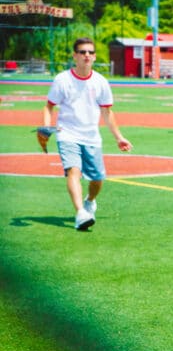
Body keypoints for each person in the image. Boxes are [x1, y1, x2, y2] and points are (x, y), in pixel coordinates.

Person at [42, 37, 132, 231]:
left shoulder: (101, 82)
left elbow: (107, 113)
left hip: (91, 137)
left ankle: (90, 200)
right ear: (74, 56)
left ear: (94, 56)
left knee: (98, 179)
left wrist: (119, 137)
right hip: (66, 134)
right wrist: (47, 127)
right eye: (82, 52)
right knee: (73, 171)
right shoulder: (62, 79)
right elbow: (49, 106)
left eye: (90, 52)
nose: (87, 56)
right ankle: (81, 213)